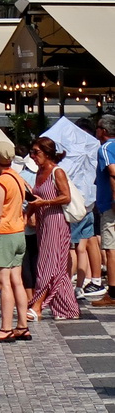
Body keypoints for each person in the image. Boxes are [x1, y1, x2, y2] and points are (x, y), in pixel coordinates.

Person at [0, 137, 29, 342]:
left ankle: (6, 328)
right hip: (19, 232)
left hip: (5, 234)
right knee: (17, 281)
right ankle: (22, 325)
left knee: (4, 284)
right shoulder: (18, 177)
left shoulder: (0, 182)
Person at [27, 136, 79, 321]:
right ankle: (67, 308)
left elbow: (66, 197)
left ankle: (37, 306)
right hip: (43, 222)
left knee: (47, 264)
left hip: (56, 221)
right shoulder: (39, 172)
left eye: (36, 152)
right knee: (57, 266)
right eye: (31, 152)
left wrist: (45, 202)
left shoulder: (57, 172)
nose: (32, 156)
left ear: (47, 153)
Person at [91, 115, 115, 308]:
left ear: (104, 131)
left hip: (110, 204)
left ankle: (113, 292)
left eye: (97, 128)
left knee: (111, 248)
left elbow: (112, 171)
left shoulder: (106, 148)